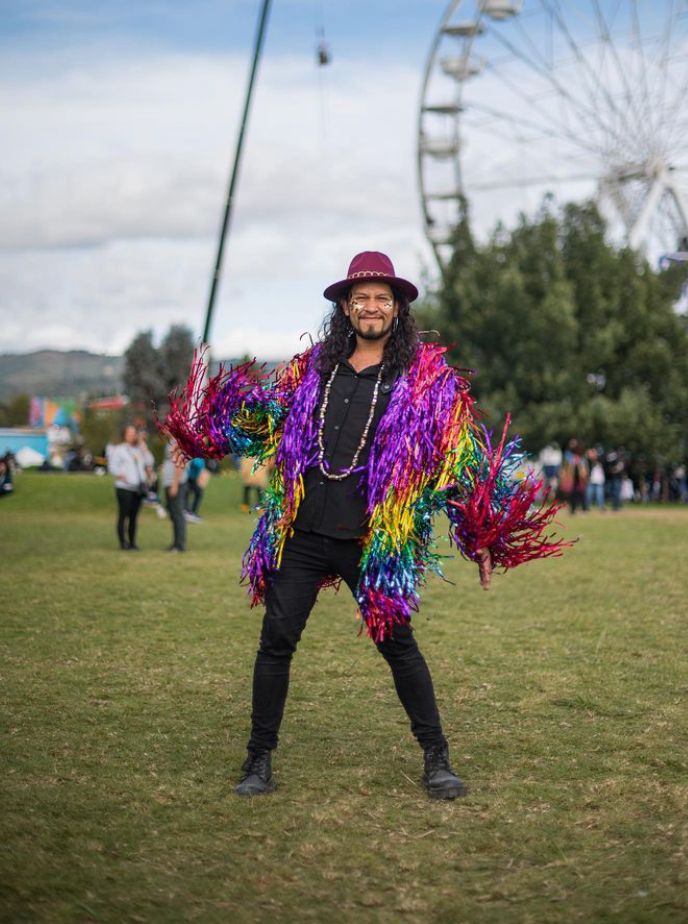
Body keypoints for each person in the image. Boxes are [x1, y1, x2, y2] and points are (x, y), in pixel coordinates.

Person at [161, 251, 566, 800]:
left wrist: (483, 532)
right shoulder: (311, 370)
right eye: (361, 299)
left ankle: (436, 757)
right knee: (275, 643)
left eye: (381, 298)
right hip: (299, 536)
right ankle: (258, 761)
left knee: (399, 646)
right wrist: (198, 438)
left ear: (397, 309)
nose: (371, 307)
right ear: (345, 308)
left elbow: (462, 458)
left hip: (373, 544)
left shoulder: (425, 382)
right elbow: (257, 418)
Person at [106, 425, 147, 550]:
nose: (132, 436)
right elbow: (112, 466)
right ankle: (123, 542)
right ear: (125, 435)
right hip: (124, 487)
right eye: (129, 433)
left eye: (134, 433)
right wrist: (120, 474)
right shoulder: (119, 450)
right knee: (123, 515)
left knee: (134, 517)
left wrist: (142, 443)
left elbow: (149, 461)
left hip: (137, 488)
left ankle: (132, 542)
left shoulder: (139, 450)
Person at [162, 438, 189, 552]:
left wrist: (175, 484)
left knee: (178, 514)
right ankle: (175, 542)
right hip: (169, 482)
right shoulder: (171, 442)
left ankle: (179, 544)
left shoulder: (179, 441)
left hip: (176, 483)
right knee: (173, 514)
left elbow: (180, 463)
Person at [185, 457, 208, 522]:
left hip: (193, 478)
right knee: (189, 493)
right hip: (189, 478)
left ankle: (191, 512)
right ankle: (189, 513)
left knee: (198, 493)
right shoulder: (197, 457)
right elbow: (196, 464)